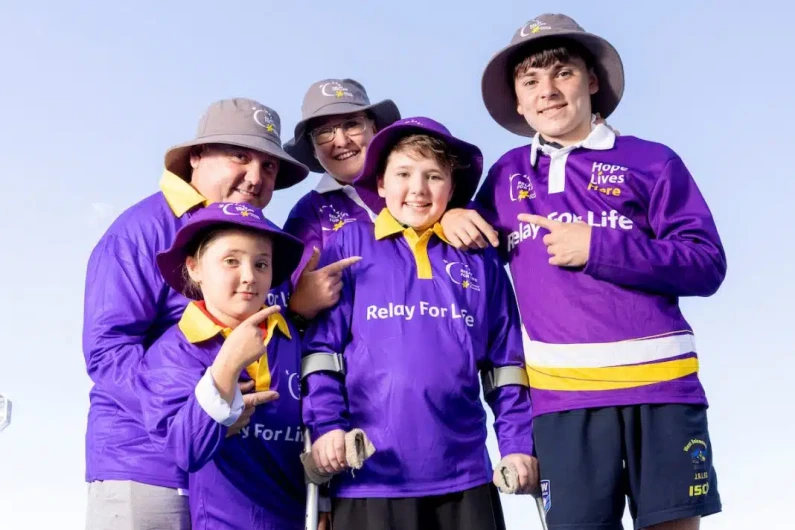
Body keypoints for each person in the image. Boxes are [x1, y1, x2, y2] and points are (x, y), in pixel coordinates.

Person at [441, 13, 726, 530]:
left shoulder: (653, 161)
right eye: (530, 82)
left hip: (661, 390)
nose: (547, 91)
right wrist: (456, 213)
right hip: (562, 402)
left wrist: (599, 246)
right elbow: (470, 248)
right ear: (519, 101)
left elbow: (706, 264)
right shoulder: (508, 173)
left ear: (591, 82)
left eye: (562, 74)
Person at [82, 98, 309, 529]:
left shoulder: (259, 241)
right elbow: (107, 351)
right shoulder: (141, 229)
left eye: (270, 166)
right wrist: (198, 413)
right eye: (240, 156)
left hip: (233, 475)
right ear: (198, 157)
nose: (256, 177)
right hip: (146, 464)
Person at [301, 116, 537, 530]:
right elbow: (323, 354)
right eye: (404, 174)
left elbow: (505, 366)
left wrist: (516, 445)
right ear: (380, 184)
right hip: (369, 477)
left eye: (434, 176)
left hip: (465, 476)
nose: (418, 189)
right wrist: (326, 428)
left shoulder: (481, 260)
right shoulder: (350, 245)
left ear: (453, 187)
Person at [136, 202, 308, 529]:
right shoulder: (173, 351)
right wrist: (226, 366)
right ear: (195, 267)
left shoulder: (293, 338)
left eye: (261, 264)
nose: (248, 277)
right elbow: (185, 450)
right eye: (231, 261)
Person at [281, 78, 400, 324]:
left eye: (352, 124)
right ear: (313, 149)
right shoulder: (308, 212)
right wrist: (300, 302)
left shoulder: (413, 188)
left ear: (375, 128)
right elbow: (289, 292)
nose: (341, 140)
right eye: (325, 132)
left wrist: (452, 214)